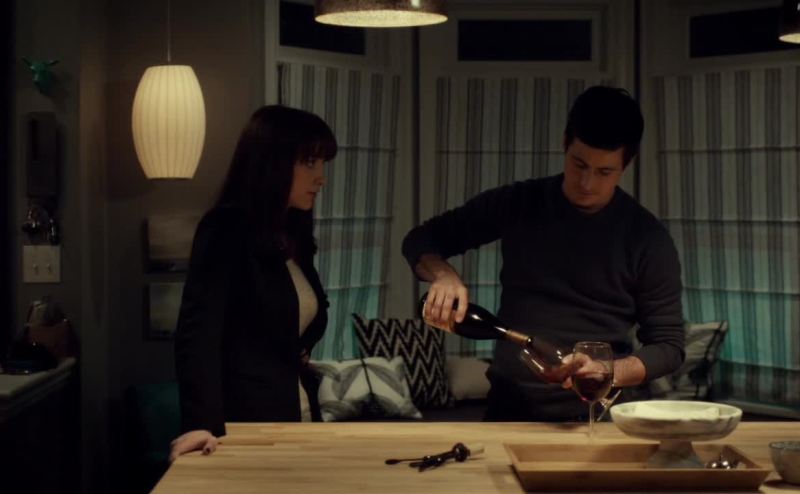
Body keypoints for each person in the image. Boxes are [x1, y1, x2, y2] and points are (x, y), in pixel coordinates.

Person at [402, 86, 685, 421]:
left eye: (604, 172)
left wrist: (608, 370)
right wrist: (443, 274)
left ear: (628, 162)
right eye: (579, 164)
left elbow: (668, 347)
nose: (587, 183)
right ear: (565, 142)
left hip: (595, 415)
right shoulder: (520, 202)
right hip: (508, 409)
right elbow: (422, 238)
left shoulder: (647, 238)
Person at [170, 105, 335, 460]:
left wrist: (298, 344)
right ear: (273, 163)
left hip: (299, 414)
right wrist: (201, 424)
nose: (321, 177)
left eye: (323, 164)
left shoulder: (291, 236)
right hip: (246, 422)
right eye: (310, 163)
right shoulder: (226, 228)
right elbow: (198, 336)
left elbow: (308, 312)